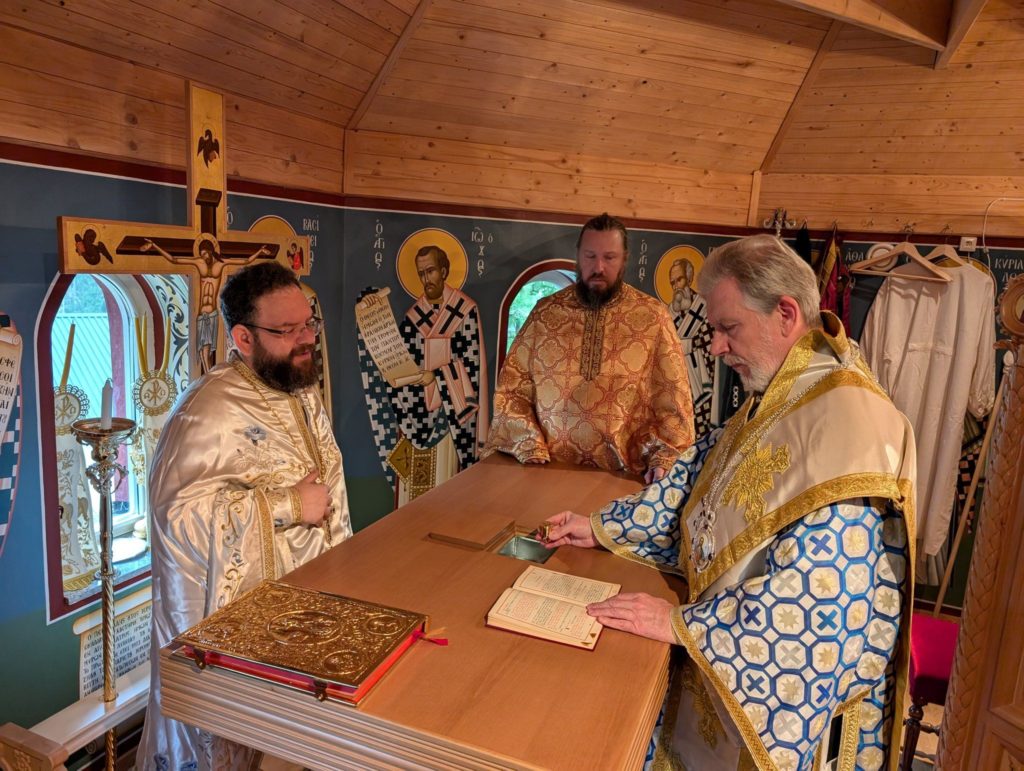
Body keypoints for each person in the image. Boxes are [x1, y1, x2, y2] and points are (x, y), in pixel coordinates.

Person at [541, 234, 916, 771]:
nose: (714, 347)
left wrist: (685, 626)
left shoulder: (851, 424)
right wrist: (602, 526)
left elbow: (824, 601)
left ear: (785, 313)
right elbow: (703, 479)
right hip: (716, 655)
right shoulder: (790, 389)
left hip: (778, 706)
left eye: (727, 328)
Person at [136, 261, 352, 771]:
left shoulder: (297, 388)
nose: (306, 340)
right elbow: (177, 520)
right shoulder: (207, 411)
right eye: (288, 330)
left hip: (308, 616)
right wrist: (289, 504)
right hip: (246, 632)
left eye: (309, 324)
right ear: (243, 337)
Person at [486, 213, 694, 483]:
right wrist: (528, 442)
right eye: (589, 256)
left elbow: (672, 402)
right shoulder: (546, 313)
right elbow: (513, 389)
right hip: (545, 473)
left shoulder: (652, 317)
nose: (598, 267)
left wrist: (663, 458)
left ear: (624, 259)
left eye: (609, 257)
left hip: (621, 478)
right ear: (577, 256)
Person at [357, 243, 489, 502]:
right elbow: (396, 357)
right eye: (421, 274)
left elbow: (472, 368)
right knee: (412, 499)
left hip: (451, 422)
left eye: (431, 271)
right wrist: (370, 309)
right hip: (416, 417)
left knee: (446, 495)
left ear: (444, 271)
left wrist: (437, 377)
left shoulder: (465, 311)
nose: (426, 279)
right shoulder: (413, 318)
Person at [668, 256, 715, 436]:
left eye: (679, 280)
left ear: (689, 278)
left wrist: (690, 346)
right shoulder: (667, 313)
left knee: (701, 427)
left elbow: (711, 344)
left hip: (701, 380)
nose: (676, 287)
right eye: (672, 283)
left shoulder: (704, 308)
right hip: (677, 386)